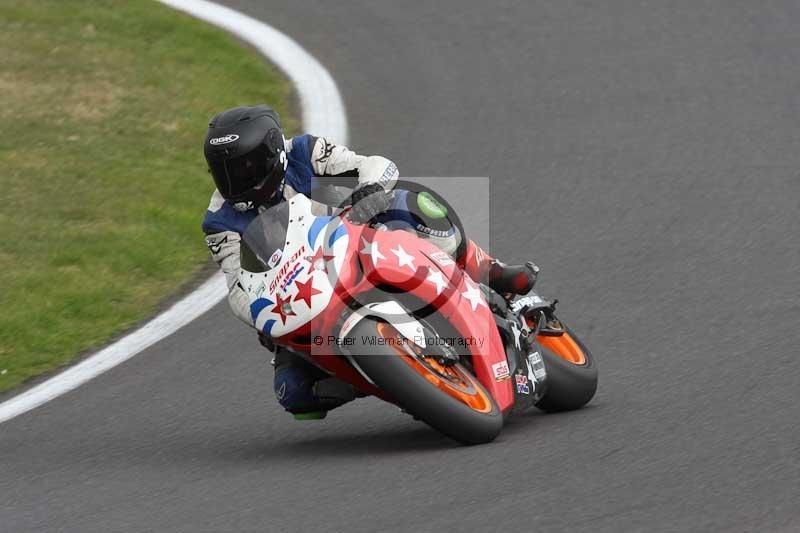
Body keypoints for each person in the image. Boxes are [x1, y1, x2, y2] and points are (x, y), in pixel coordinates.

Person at [202, 104, 537, 419]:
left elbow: (376, 165)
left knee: (412, 203)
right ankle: (394, 380)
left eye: (245, 168)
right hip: (304, 297)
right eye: (224, 172)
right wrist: (261, 317)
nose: (235, 181)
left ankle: (491, 271)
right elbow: (238, 287)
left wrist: (369, 190)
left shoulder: (305, 152)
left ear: (274, 153)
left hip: (359, 240)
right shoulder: (219, 222)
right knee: (293, 394)